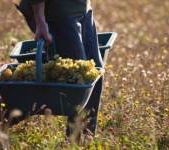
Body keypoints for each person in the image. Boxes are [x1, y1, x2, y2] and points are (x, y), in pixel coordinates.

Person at [15, 0, 104, 144]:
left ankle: (84, 143)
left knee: (94, 78)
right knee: (76, 85)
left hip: (82, 9)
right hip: (57, 15)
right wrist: (40, 20)